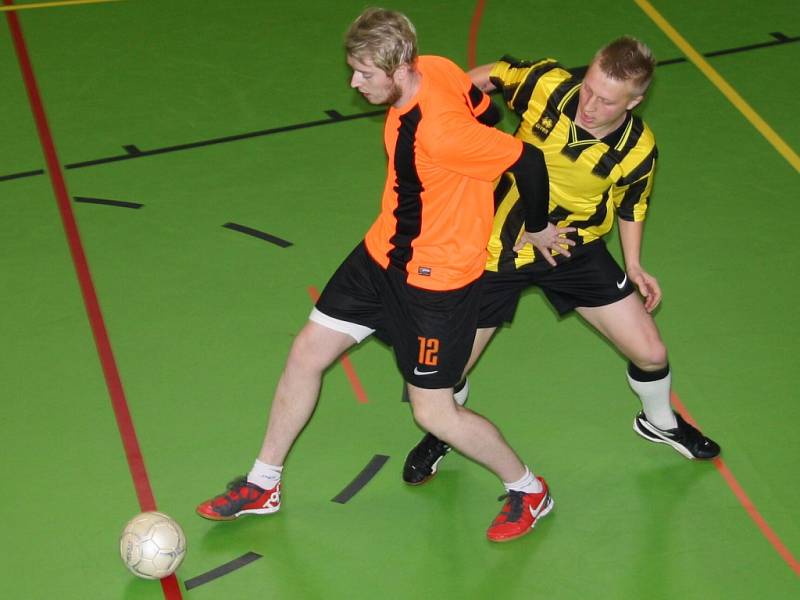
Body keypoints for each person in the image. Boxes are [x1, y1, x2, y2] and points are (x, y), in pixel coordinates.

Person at [197, 7, 570, 543]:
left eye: (363, 74)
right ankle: (263, 484)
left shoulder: (439, 133)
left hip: (436, 282)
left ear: (398, 67)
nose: (353, 82)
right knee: (306, 353)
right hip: (381, 256)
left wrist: (534, 227)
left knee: (434, 414)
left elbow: (527, 161)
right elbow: (484, 111)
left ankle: (529, 490)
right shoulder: (436, 68)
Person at [403, 37, 721, 486]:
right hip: (496, 248)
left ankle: (660, 422)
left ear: (636, 101)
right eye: (588, 87)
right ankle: (445, 430)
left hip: (574, 249)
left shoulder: (638, 149)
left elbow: (632, 205)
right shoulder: (548, 85)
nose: (588, 105)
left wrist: (634, 265)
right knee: (448, 373)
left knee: (651, 353)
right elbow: (490, 76)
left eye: (606, 100)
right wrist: (444, 110)